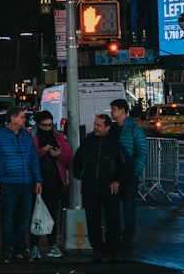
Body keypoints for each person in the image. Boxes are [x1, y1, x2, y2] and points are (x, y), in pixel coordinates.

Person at [0, 106, 42, 263]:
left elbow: (33, 159)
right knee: (9, 219)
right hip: (7, 182)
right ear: (13, 118)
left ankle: (19, 248)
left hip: (24, 182)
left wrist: (37, 180)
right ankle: (8, 249)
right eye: (22, 117)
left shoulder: (25, 136)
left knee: (23, 219)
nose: (25, 120)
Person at [73, 114, 131, 263]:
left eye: (99, 125)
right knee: (93, 219)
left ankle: (113, 247)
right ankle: (98, 249)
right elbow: (78, 161)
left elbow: (125, 165)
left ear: (107, 127)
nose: (95, 128)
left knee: (112, 219)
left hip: (108, 186)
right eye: (95, 124)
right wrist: (82, 175)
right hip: (91, 186)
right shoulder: (88, 142)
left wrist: (117, 180)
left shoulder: (114, 145)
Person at [29, 110, 72, 259]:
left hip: (54, 181)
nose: (48, 128)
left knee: (52, 214)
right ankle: (34, 245)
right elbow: (30, 157)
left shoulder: (58, 137)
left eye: (50, 125)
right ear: (38, 125)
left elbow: (68, 155)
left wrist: (59, 155)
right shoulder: (33, 137)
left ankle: (51, 244)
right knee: (35, 215)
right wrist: (42, 151)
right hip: (38, 182)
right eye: (44, 126)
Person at [109, 97, 147, 258]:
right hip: (113, 176)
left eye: (114, 109)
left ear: (122, 111)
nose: (111, 112)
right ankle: (116, 241)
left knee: (128, 211)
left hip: (128, 176)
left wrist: (134, 172)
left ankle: (127, 241)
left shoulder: (133, 129)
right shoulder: (112, 129)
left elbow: (141, 152)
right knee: (113, 211)